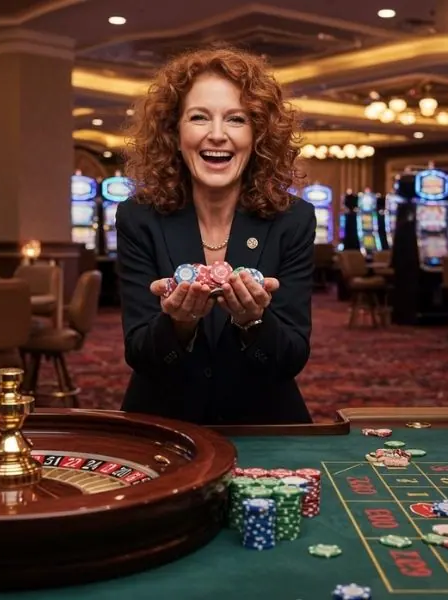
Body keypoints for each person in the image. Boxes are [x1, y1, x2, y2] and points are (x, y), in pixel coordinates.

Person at [116, 45, 316, 425]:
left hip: (264, 422)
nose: (218, 135)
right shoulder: (137, 217)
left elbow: (292, 356)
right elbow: (139, 354)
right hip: (165, 421)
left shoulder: (294, 220)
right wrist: (179, 324)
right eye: (199, 118)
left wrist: (253, 321)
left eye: (237, 119)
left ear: (258, 135)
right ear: (174, 133)